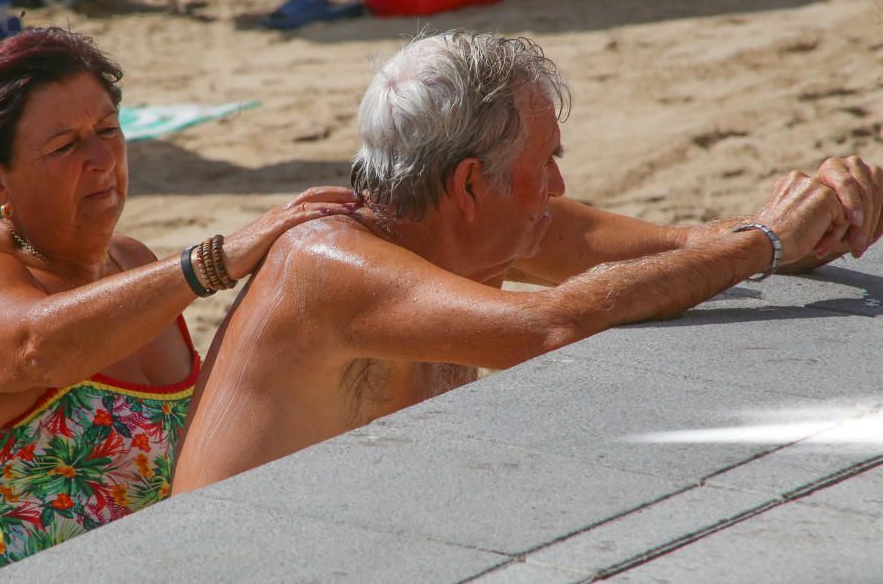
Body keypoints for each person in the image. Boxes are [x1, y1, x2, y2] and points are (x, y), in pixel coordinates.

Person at [172, 30, 883, 493]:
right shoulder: (328, 262)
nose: (560, 189)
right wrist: (763, 243)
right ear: (469, 185)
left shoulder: (486, 222)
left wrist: (820, 206)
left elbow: (687, 249)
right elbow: (554, 326)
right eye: (547, 164)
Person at [0, 27, 360, 581]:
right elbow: (35, 348)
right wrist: (213, 262)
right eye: (65, 146)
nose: (101, 159)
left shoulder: (134, 264)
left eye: (108, 130)